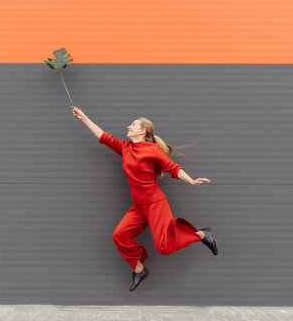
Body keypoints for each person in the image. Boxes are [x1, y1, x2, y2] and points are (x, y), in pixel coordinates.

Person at [71, 106, 218, 292]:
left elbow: (172, 167)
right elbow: (102, 135)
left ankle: (203, 235)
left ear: (143, 131)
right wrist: (83, 117)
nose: (128, 126)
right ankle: (139, 270)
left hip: (155, 204)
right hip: (139, 206)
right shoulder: (125, 148)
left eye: (132, 124)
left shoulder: (152, 150)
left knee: (164, 247)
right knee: (120, 235)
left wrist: (191, 180)